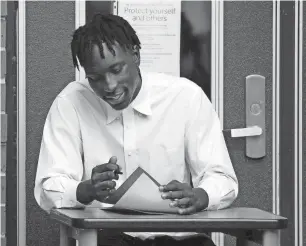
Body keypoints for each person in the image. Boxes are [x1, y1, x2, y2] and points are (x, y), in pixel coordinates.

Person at [34, 14, 238, 246]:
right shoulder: (71, 102)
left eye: (117, 69)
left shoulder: (186, 97)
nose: (109, 86)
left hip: (180, 238)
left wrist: (201, 196)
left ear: (136, 55)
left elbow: (223, 179)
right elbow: (48, 188)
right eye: (95, 78)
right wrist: (85, 190)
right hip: (105, 239)